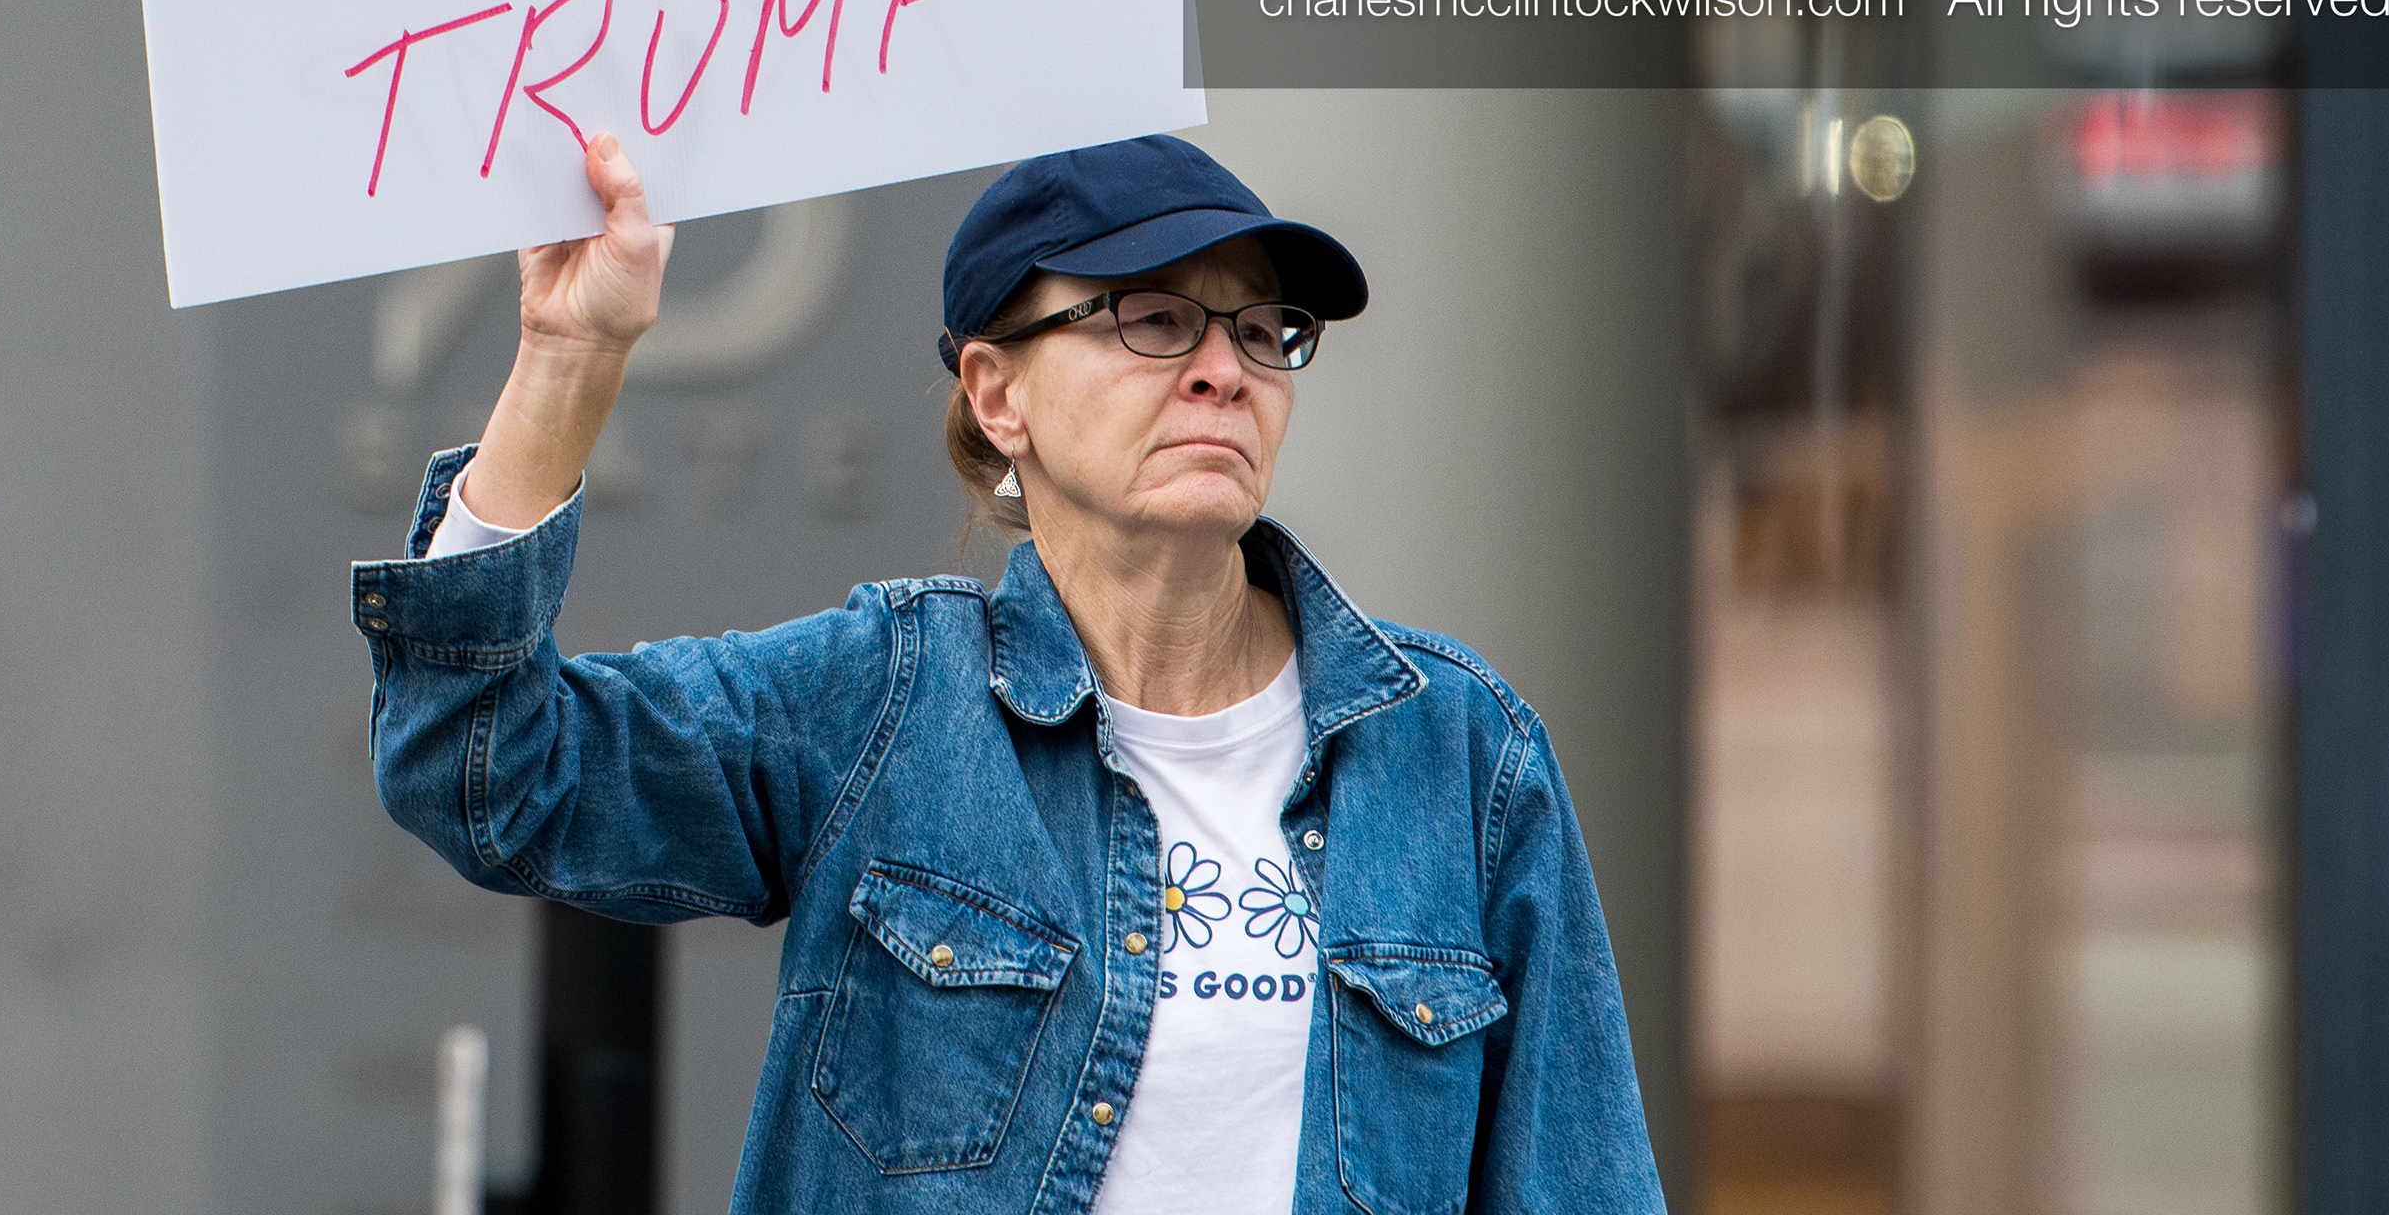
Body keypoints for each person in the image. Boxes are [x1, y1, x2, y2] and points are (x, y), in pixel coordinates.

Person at [354, 129, 1664, 1215]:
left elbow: (1580, 1184)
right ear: (998, 395)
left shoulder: (1459, 751)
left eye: (1268, 332)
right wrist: (572, 358)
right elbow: (484, 771)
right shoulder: (889, 702)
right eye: (1155, 320)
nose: (1225, 369)